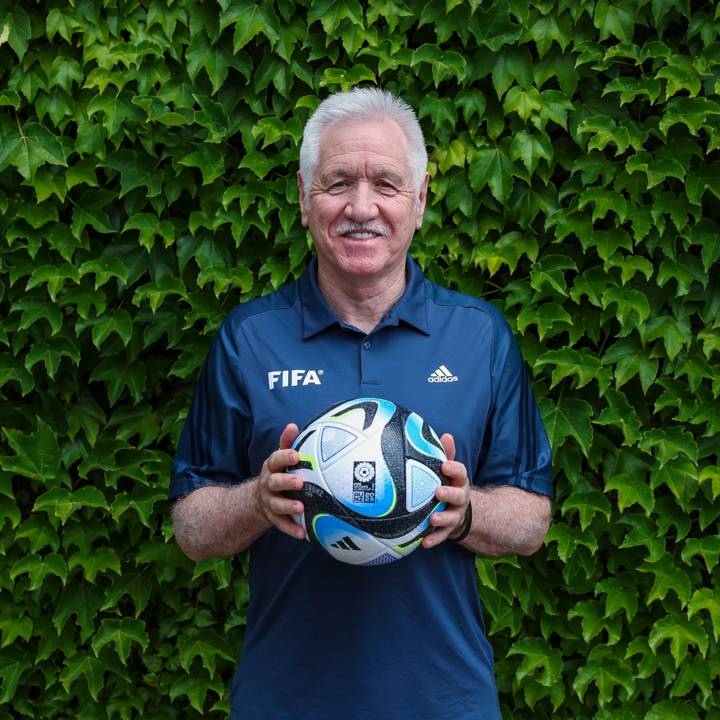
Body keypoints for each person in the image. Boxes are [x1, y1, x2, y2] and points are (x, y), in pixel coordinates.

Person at [170, 87, 553, 720]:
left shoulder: (479, 336)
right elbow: (191, 527)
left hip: (444, 702)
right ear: (303, 196)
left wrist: (465, 511)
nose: (361, 207)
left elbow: (532, 519)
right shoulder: (249, 338)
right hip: (286, 700)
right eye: (338, 182)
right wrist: (258, 501)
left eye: (387, 184)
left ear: (421, 200)